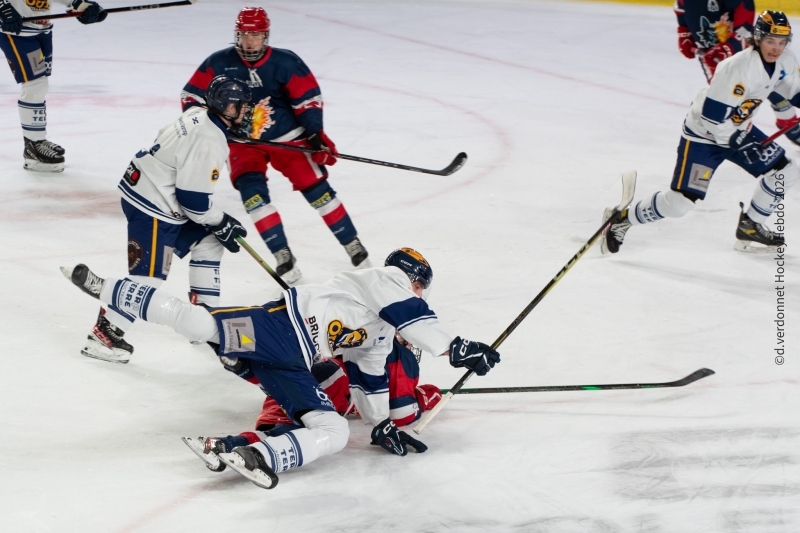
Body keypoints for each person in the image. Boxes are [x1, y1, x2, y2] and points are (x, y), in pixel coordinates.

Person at [61, 248, 501, 489]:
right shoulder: (388, 281)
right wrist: (456, 347)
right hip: (280, 328)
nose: (422, 293)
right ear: (413, 278)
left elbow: (369, 379)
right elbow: (410, 311)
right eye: (422, 285)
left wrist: (382, 424)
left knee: (335, 432)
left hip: (294, 364)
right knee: (200, 324)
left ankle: (256, 454)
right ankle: (109, 288)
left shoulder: (383, 330)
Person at [180, 7, 370, 284]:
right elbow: (191, 96)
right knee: (254, 198)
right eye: (244, 34)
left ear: (265, 35)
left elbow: (308, 98)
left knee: (319, 193)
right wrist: (206, 126)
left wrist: (315, 132)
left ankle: (353, 245)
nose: (249, 41)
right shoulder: (219, 63)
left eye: (255, 35)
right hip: (243, 145)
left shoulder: (285, 62)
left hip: (288, 139)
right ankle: (282, 255)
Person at [73, 75, 252, 364]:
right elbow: (192, 200)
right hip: (154, 205)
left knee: (209, 241)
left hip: (150, 190)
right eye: (242, 106)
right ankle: (104, 336)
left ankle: (204, 322)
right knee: (148, 278)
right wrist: (221, 219)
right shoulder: (210, 140)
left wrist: (216, 224)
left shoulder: (198, 113)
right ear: (228, 108)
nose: (246, 111)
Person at [603, 11, 798, 255]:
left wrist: (742, 139)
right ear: (757, 39)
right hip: (704, 136)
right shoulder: (737, 68)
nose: (776, 48)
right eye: (771, 41)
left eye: (781, 42)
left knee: (785, 171)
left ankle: (751, 224)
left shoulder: (785, 61)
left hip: (738, 131)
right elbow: (712, 117)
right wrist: (740, 143)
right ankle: (622, 218)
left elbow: (795, 92)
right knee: (680, 204)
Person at [0, 0, 106, 172]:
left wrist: (82, 5)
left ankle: (35, 143)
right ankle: (34, 145)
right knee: (35, 85)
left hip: (42, 30)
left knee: (39, 85)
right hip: (18, 32)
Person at [675, 0, 755, 81]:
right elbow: (680, 7)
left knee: (747, 88)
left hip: (737, 54)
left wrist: (732, 46)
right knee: (718, 90)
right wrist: (685, 33)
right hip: (707, 53)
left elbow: (745, 17)